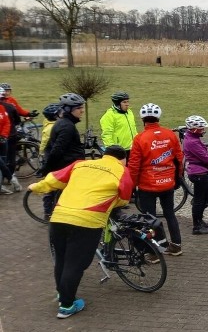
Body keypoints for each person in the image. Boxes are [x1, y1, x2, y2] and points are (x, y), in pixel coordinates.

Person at [28, 144, 133, 319]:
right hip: (88, 222)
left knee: (61, 259)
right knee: (75, 264)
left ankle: (63, 295)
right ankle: (67, 306)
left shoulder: (81, 164)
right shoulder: (122, 171)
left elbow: (54, 179)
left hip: (59, 217)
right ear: (123, 159)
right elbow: (124, 198)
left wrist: (35, 187)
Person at [128, 103, 183, 256]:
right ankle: (176, 245)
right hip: (167, 182)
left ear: (142, 119)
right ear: (158, 117)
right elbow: (179, 158)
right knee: (169, 213)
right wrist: (178, 178)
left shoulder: (140, 138)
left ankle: (153, 253)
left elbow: (134, 165)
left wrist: (131, 186)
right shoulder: (170, 134)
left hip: (147, 185)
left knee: (149, 219)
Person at [42, 94, 87, 220]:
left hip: (67, 164)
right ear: (68, 110)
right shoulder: (67, 126)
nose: (82, 110)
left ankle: (55, 214)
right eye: (79, 108)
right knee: (63, 192)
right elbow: (57, 149)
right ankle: (57, 216)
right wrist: (47, 167)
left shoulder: (66, 123)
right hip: (65, 166)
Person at [182, 115, 208, 234]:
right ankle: (196, 226)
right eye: (201, 128)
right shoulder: (192, 142)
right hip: (198, 173)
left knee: (202, 199)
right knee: (199, 200)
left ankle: (199, 221)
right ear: (194, 129)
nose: (203, 130)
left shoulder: (192, 138)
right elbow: (204, 157)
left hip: (199, 172)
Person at [0, 84, 37, 189]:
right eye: (5, 91)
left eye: (9, 90)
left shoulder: (11, 102)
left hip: (8, 135)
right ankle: (10, 178)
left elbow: (19, 111)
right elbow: (15, 120)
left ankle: (8, 178)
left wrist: (29, 113)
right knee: (8, 158)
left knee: (7, 157)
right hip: (9, 134)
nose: (7, 92)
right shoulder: (7, 106)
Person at [0, 97, 15, 194]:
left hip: (1, 140)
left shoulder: (1, 108)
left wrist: (3, 135)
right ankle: (12, 179)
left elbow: (7, 122)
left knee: (2, 163)